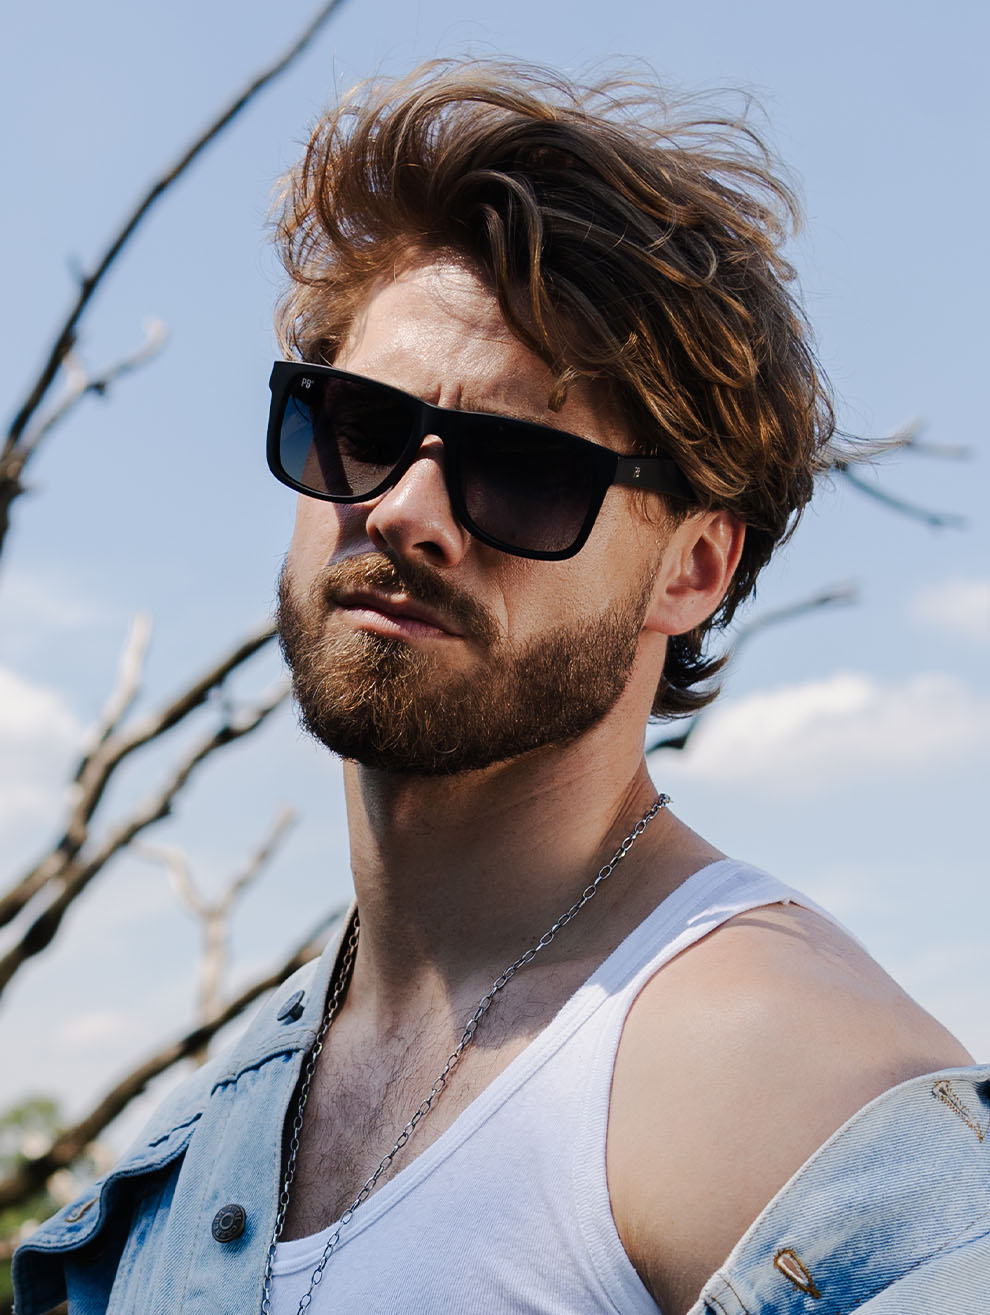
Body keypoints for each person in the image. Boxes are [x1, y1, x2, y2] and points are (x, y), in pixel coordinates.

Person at [14, 60, 989, 1315]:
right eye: (362, 428)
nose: (406, 512)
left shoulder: (771, 1070)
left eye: (522, 470)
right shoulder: (227, 1124)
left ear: (692, 568)